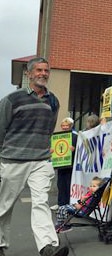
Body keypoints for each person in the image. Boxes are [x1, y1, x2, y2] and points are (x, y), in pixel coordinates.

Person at [0, 57, 69, 256]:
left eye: (46, 70)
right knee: (4, 206)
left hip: (40, 161)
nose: (43, 74)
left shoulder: (53, 100)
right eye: (38, 70)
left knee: (41, 202)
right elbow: (1, 129)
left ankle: (47, 246)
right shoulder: (12, 99)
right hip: (13, 160)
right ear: (29, 73)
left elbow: (49, 128)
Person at [50, 117, 78, 211]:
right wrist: (52, 151)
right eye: (63, 125)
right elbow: (55, 148)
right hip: (61, 164)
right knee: (60, 184)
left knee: (68, 184)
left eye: (66, 125)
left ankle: (68, 205)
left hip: (71, 165)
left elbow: (80, 150)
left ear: (71, 126)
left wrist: (74, 149)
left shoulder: (75, 136)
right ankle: (60, 203)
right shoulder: (58, 136)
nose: (64, 127)